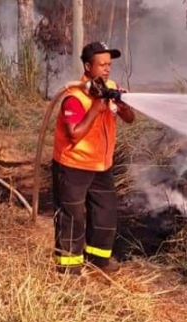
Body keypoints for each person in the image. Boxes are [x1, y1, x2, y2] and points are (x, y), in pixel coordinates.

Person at [52, 41, 136, 275]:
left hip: (101, 165)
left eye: (109, 64)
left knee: (105, 212)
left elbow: (130, 118)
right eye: (102, 65)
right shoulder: (74, 97)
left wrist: (121, 104)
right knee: (73, 216)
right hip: (73, 165)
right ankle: (69, 268)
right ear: (88, 66)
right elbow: (74, 133)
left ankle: (98, 261)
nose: (107, 69)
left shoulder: (111, 87)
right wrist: (96, 108)